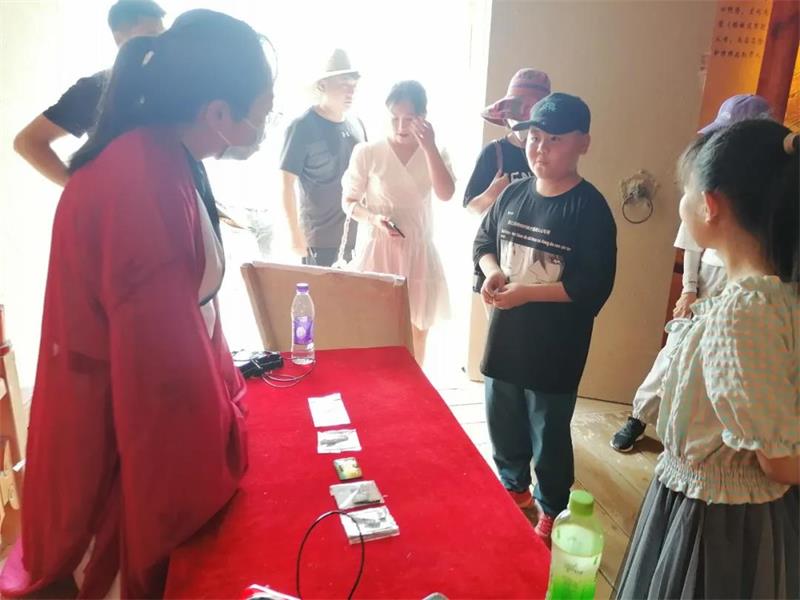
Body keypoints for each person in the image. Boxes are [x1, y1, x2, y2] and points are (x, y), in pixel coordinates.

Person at [0, 10, 274, 598]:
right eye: (262, 113)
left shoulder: (158, 153)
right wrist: (216, 446)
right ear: (218, 114)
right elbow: (158, 379)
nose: (262, 129)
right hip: (120, 428)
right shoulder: (142, 180)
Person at [615, 120, 799, 599]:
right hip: (719, 507)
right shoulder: (769, 299)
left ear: (709, 205)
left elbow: (781, 462)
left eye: (685, 192)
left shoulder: (746, 312)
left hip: (720, 523)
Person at [473, 93, 616, 544]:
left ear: (583, 143)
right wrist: (492, 273)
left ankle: (551, 506)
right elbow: (483, 243)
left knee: (548, 430)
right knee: (502, 416)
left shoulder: (590, 208)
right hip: (506, 336)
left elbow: (592, 285)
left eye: (555, 139)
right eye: (535, 137)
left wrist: (527, 294)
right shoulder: (513, 194)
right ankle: (512, 487)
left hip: (556, 347)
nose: (540, 148)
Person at [610, 94, 774, 452]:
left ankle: (707, 436)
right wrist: (688, 288)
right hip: (710, 278)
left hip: (751, 284)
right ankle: (641, 415)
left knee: (722, 361)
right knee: (678, 347)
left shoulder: (775, 190)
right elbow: (691, 242)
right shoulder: (706, 177)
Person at [342, 80, 454, 365]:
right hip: (379, 250)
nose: (401, 126)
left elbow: (446, 193)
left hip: (418, 251)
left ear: (423, 117)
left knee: (418, 330)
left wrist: (429, 147)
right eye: (394, 118)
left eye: (409, 118)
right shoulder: (368, 152)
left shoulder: (435, 151)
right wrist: (374, 219)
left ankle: (414, 385)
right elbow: (349, 201)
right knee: (375, 331)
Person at [13, 0, 166, 187]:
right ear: (119, 39)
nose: (159, 44)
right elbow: (28, 142)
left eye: (163, 35)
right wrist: (81, 190)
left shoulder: (169, 82)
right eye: (151, 35)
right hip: (123, 199)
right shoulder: (96, 87)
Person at [280, 48, 366, 266]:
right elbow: (286, 183)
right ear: (322, 85)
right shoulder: (302, 127)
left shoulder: (357, 125)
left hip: (355, 238)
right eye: (343, 84)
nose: (350, 91)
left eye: (353, 85)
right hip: (318, 240)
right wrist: (294, 233)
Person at [463, 68, 551, 215]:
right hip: (501, 228)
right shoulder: (493, 152)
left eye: (530, 111)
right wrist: (492, 193)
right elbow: (471, 208)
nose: (521, 116)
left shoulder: (549, 153)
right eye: (516, 108)